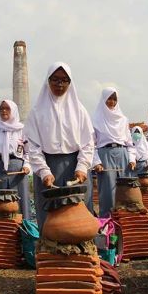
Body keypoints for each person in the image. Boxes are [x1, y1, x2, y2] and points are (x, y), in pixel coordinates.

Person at [25, 62, 95, 230]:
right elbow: (33, 146)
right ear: (47, 81)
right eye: (55, 79)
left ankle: (79, 255)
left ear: (70, 83)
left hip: (75, 168)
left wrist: (83, 167)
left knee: (79, 218)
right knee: (50, 218)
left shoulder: (79, 111)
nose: (59, 84)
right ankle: (50, 254)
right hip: (48, 169)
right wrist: (44, 171)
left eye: (64, 80)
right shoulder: (37, 112)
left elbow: (88, 142)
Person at [91, 87, 136, 217]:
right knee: (107, 192)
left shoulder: (123, 119)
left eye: (114, 99)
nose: (112, 102)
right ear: (103, 100)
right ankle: (107, 222)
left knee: (126, 190)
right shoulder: (96, 119)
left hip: (123, 155)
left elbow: (129, 143)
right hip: (105, 155)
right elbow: (91, 145)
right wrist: (96, 162)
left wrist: (132, 159)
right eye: (109, 99)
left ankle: (125, 220)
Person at [0, 100, 32, 218]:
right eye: (1, 109)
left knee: (19, 199)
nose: (4, 111)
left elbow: (29, 151)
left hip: (18, 169)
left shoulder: (22, 130)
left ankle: (23, 230)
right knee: (0, 202)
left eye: (7, 108)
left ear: (13, 110)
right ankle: (2, 230)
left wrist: (26, 165)